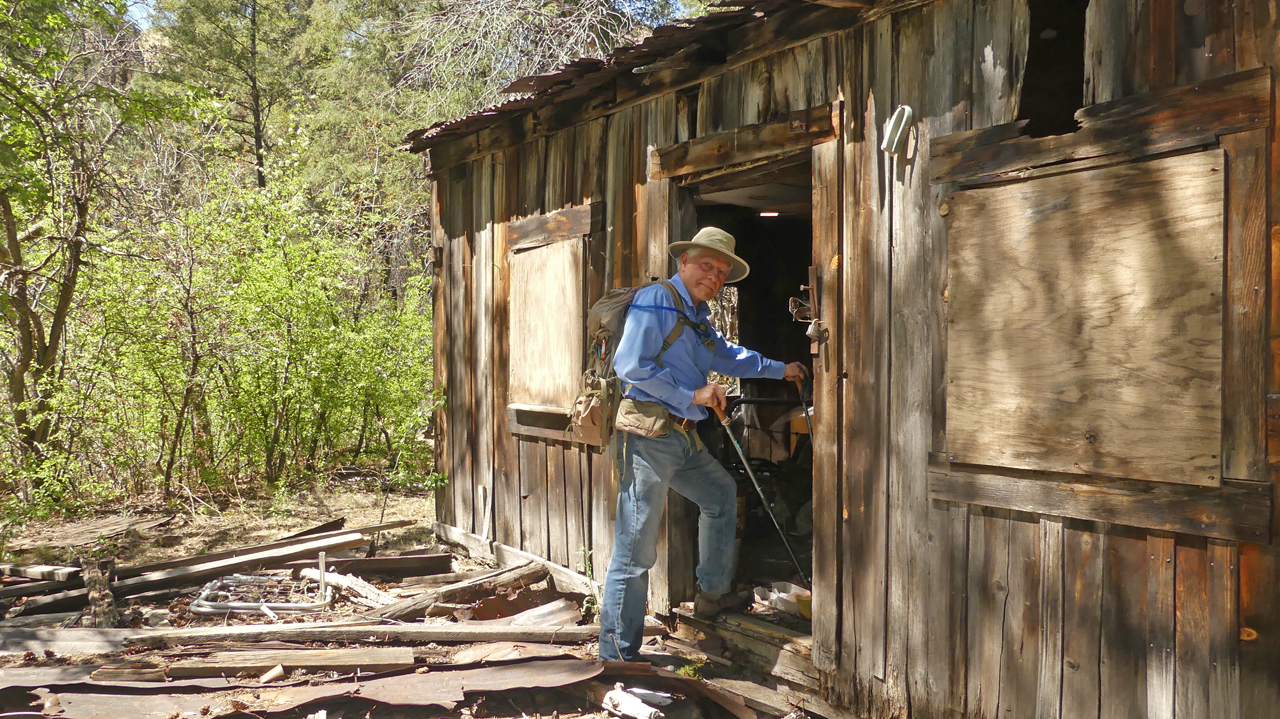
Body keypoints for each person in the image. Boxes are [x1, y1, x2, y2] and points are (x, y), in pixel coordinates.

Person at [598, 226, 808, 663]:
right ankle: (616, 653)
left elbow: (728, 355)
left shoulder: (696, 315)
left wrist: (780, 368)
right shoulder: (656, 300)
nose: (713, 276)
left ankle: (712, 595)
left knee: (719, 497)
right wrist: (691, 395)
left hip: (683, 437)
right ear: (684, 263)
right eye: (706, 265)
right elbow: (629, 365)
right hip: (648, 436)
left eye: (721, 272)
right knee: (636, 548)